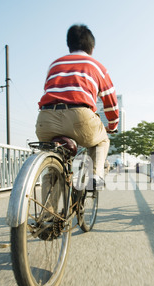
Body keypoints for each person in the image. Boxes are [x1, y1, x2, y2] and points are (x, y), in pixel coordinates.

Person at [36, 24, 119, 189]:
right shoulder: (97, 66)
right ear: (92, 48)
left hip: (45, 120)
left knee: (54, 163)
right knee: (102, 140)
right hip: (79, 118)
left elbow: (49, 90)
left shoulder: (54, 65)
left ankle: (48, 213)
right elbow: (111, 105)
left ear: (69, 45)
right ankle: (96, 176)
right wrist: (112, 126)